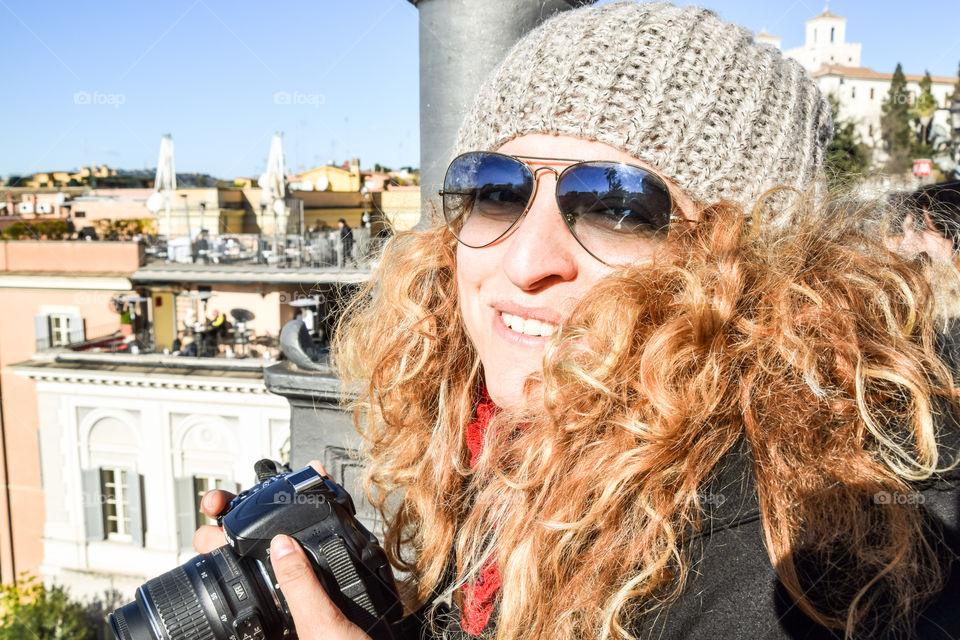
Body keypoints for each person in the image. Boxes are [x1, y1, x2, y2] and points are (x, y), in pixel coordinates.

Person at [195, 3, 960, 639]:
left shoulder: (800, 578)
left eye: (617, 207)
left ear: (755, 270)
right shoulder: (513, 457)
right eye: (495, 189)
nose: (527, 259)